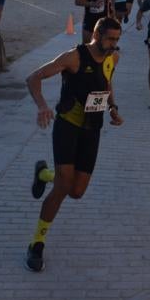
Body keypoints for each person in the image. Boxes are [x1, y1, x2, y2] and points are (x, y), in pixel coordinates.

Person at [24, 17, 123, 272]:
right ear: (97, 35)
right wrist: (43, 106)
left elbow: (107, 82)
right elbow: (33, 77)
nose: (114, 45)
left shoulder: (114, 58)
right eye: (110, 39)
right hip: (68, 126)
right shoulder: (74, 57)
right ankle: (37, 243)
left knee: (76, 191)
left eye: (117, 40)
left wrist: (113, 108)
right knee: (63, 185)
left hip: (93, 131)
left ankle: (43, 173)